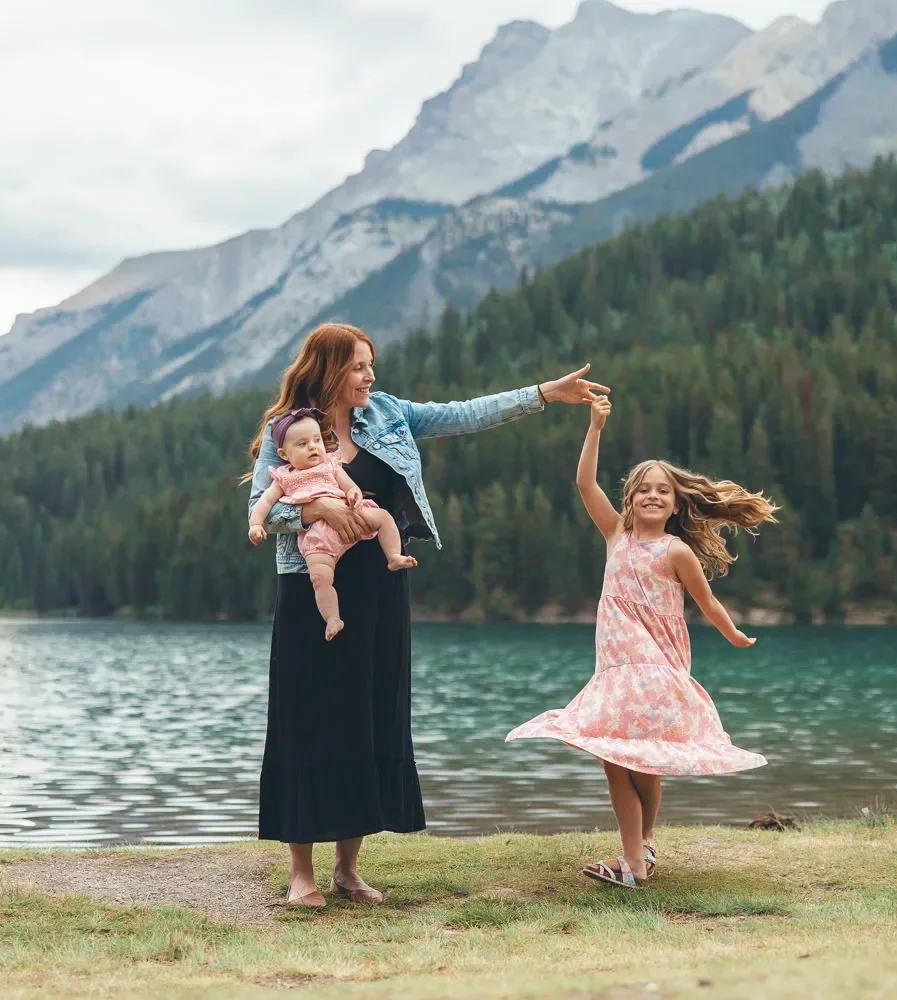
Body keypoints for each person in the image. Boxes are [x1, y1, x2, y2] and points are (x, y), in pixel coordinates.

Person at [247, 322, 607, 908]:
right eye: (360, 366)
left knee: (367, 716)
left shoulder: (389, 414)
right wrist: (316, 508)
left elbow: (464, 414)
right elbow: (258, 508)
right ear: (332, 367)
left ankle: (347, 870)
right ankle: (301, 874)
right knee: (307, 718)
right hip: (314, 589)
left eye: (371, 365)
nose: (371, 376)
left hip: (381, 586)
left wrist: (544, 393)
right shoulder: (285, 430)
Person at [505, 393, 776, 889]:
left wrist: (733, 634)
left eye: (663, 492)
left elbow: (708, 604)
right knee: (639, 765)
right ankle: (642, 851)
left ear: (676, 505)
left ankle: (632, 865)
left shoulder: (676, 552)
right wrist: (595, 427)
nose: (653, 496)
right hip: (614, 670)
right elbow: (585, 483)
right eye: (644, 490)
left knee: (617, 763)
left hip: (652, 670)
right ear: (629, 499)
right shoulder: (615, 536)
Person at [248, 407, 417, 640]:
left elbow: (350, 486)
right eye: (302, 444)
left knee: (384, 518)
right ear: (284, 454)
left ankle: (394, 556)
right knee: (320, 578)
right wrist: (256, 525)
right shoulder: (284, 477)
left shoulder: (330, 465)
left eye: (317, 440)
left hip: (350, 517)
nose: (312, 447)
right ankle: (332, 618)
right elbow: (264, 503)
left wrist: (354, 495)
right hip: (319, 539)